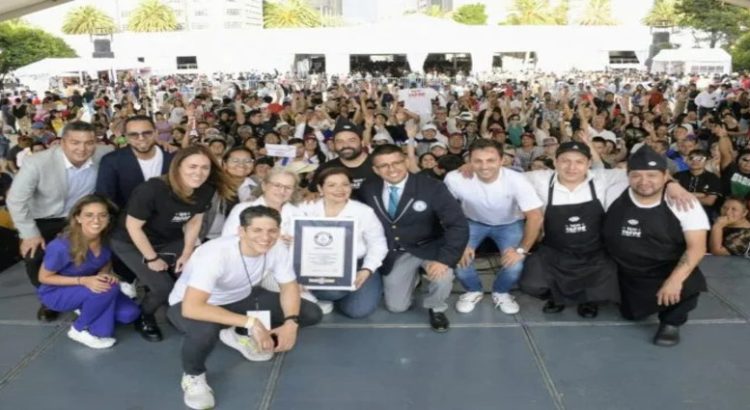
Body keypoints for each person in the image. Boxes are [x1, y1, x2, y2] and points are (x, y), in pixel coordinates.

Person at [167, 206, 322, 410]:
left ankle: (235, 332)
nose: (265, 237)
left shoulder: (275, 248)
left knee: (310, 313)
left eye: (272, 231)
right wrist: (252, 322)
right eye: (257, 230)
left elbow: (289, 286)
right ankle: (193, 376)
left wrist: (291, 323)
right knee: (206, 330)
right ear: (241, 231)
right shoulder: (214, 254)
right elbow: (192, 307)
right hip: (189, 305)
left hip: (239, 298)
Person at [110, 145, 233, 342]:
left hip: (167, 237)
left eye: (205, 167)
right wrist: (151, 258)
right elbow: (133, 227)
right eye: (192, 166)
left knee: (198, 270)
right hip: (130, 241)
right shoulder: (151, 189)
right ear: (178, 167)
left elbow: (194, 220)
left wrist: (186, 252)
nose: (199, 173)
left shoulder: (205, 190)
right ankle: (145, 316)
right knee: (162, 288)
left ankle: (188, 310)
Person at [603, 146, 710, 346]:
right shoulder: (613, 190)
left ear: (665, 175)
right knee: (631, 314)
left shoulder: (685, 203)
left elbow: (697, 248)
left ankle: (671, 322)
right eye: (637, 175)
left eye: (652, 175)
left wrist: (674, 281)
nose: (644, 182)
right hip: (624, 271)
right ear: (626, 175)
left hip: (663, 268)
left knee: (689, 280)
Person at [7, 121, 112, 321]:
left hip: (82, 216)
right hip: (45, 218)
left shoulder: (105, 153)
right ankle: (50, 299)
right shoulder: (37, 162)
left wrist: (164, 147)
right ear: (62, 142)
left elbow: (134, 153)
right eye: (75, 142)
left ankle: (94, 287)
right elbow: (15, 199)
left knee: (108, 244)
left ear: (96, 143)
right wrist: (29, 234)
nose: (82, 148)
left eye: (89, 143)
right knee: (34, 255)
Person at [359, 144, 469, 332]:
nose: (391, 169)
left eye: (396, 162)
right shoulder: (369, 188)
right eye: (384, 166)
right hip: (397, 252)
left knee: (443, 277)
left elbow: (457, 224)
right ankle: (414, 279)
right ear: (375, 170)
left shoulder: (432, 186)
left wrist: (445, 259)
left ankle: (436, 306)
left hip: (430, 247)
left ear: (407, 161)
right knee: (396, 308)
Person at [445, 139, 544, 315]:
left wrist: (521, 250)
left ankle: (501, 291)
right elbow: (446, 212)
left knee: (515, 264)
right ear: (469, 160)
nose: (484, 166)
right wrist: (457, 242)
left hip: (510, 223)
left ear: (502, 160)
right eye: (478, 161)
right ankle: (473, 290)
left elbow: (535, 217)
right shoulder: (455, 178)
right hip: (472, 221)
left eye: (490, 160)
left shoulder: (517, 180)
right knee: (459, 258)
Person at [37, 195, 140, 349]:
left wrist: (103, 274)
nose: (96, 220)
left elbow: (105, 261)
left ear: (108, 218)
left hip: (90, 287)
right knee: (107, 292)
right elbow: (44, 277)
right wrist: (84, 281)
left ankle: (87, 305)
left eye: (102, 215)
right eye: (89, 215)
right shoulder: (61, 246)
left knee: (129, 314)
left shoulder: (106, 239)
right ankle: (78, 329)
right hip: (57, 292)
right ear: (78, 217)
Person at [96, 115, 173, 295]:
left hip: (167, 231)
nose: (141, 139)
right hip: (125, 232)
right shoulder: (112, 160)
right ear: (125, 136)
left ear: (156, 133)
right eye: (134, 134)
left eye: (146, 133)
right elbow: (105, 197)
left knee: (164, 283)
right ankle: (129, 282)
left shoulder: (173, 158)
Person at [303, 167, 388, 318]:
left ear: (351, 187)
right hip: (317, 264)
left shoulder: (363, 211)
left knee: (358, 310)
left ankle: (341, 295)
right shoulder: (305, 209)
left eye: (345, 184)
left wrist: (367, 269)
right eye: (331, 185)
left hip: (357, 264)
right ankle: (332, 294)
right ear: (319, 188)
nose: (339, 189)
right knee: (332, 291)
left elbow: (378, 243)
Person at [312, 121, 376, 198]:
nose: (345, 145)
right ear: (334, 144)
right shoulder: (325, 169)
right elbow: (311, 194)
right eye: (340, 141)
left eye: (351, 140)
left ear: (362, 142)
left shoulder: (379, 164)